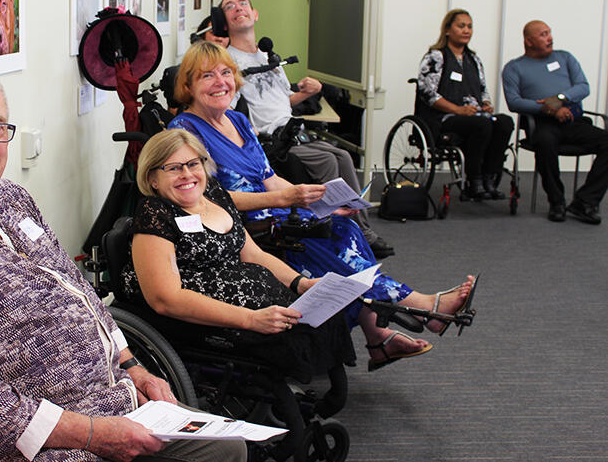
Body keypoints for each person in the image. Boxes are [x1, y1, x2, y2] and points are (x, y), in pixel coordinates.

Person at [0, 66, 246, 462]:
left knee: (228, 447)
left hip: (110, 403)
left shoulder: (11, 198)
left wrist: (130, 363)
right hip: (37, 448)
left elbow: (74, 283)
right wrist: (92, 434)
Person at [167, 41, 477, 372]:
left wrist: (320, 202)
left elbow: (270, 178)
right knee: (330, 241)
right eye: (207, 76)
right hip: (241, 225)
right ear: (188, 86)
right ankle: (420, 308)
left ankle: (377, 334)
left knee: (345, 226)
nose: (220, 82)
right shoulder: (184, 131)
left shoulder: (239, 121)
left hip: (278, 210)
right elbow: (207, 201)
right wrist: (288, 199)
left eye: (226, 73)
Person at [122, 128, 352, 407]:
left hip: (257, 304)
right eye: (173, 168)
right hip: (206, 321)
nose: (187, 174)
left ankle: (326, 399)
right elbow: (165, 299)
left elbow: (253, 253)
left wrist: (299, 283)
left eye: (194, 164)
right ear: (152, 179)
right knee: (288, 337)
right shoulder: (154, 214)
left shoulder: (215, 195)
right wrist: (249, 319)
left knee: (322, 313)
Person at [220, 0, 395, 259]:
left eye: (243, 3)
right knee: (327, 163)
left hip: (293, 131)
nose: (237, 8)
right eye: (229, 7)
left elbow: (283, 101)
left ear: (254, 14)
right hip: (272, 141)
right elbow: (227, 108)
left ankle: (361, 229)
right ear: (225, 21)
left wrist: (307, 92)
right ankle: (344, 234)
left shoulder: (269, 56)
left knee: (344, 156)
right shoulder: (228, 62)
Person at [502, 20, 608, 224]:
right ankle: (557, 202)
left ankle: (585, 202)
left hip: (573, 122)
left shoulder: (565, 58)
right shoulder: (514, 68)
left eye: (549, 33)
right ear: (529, 41)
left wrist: (559, 99)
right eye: (543, 34)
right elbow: (514, 102)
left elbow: (583, 87)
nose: (549, 38)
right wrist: (548, 109)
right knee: (545, 142)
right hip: (542, 124)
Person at [417, 9, 514, 200]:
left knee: (505, 122)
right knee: (482, 125)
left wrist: (486, 103)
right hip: (444, 118)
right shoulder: (435, 57)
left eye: (469, 26)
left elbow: (483, 89)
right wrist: (458, 110)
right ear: (447, 30)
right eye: (461, 26)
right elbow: (427, 93)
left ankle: (489, 178)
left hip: (473, 115)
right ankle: (474, 180)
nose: (466, 30)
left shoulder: (474, 60)